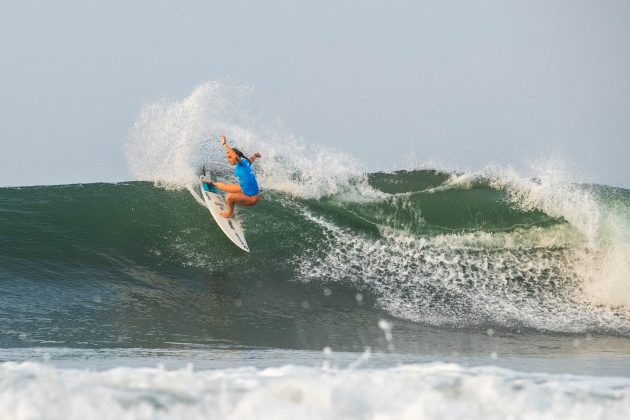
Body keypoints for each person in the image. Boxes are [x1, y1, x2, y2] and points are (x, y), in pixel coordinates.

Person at [202, 135, 262, 218]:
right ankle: (211, 183)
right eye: (228, 158)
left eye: (230, 157)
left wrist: (224, 144)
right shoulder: (246, 162)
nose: (229, 159)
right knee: (226, 187)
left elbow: (235, 156)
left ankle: (230, 213)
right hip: (245, 189)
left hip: (252, 198)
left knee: (229, 197)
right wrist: (256, 155)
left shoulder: (241, 164)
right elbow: (251, 158)